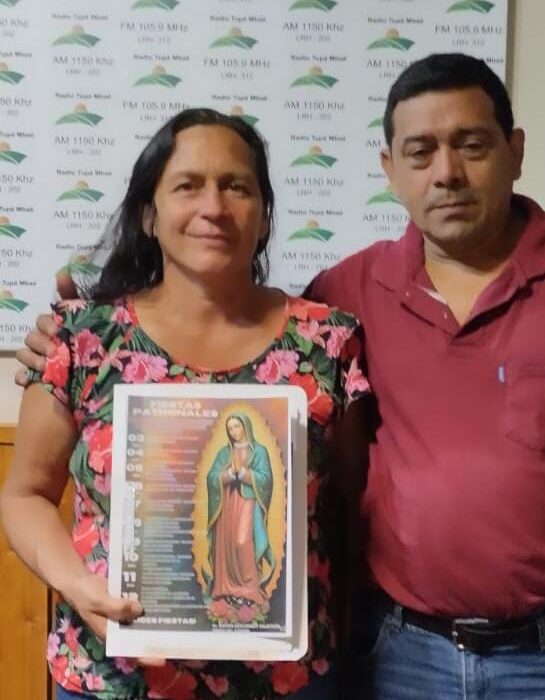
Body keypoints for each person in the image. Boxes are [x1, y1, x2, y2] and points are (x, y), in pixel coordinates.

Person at [14, 54, 545, 700]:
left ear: (515, 151)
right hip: (385, 657)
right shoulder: (342, 297)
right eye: (420, 152)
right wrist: (67, 345)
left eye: (472, 144)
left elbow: (339, 490)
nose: (447, 172)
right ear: (390, 169)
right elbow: (28, 493)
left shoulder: (328, 333)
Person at [1, 107, 370, 700]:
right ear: (149, 214)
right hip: (115, 677)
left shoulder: (327, 343)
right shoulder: (85, 340)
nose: (214, 206)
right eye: (187, 186)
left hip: (284, 681)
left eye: (236, 186)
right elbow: (25, 496)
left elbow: (355, 506)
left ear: (263, 216)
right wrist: (79, 588)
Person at [207, 413, 275, 610]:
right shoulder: (224, 453)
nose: (234, 431)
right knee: (227, 544)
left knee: (242, 542)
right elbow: (211, 477)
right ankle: (229, 589)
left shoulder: (259, 451)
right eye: (230, 428)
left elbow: (266, 480)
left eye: (237, 426)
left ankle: (250, 589)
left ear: (246, 426)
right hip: (227, 504)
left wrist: (245, 474)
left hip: (248, 502)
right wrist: (228, 475)